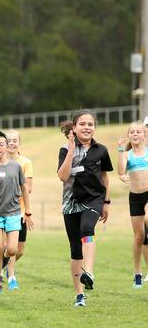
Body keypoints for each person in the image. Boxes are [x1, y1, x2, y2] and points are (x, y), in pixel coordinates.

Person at [57, 110, 112, 307]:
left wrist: (106, 202)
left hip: (94, 199)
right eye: (82, 124)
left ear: (94, 127)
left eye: (90, 124)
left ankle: (88, 272)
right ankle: (80, 294)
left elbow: (105, 177)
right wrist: (72, 150)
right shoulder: (65, 149)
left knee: (87, 230)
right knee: (75, 249)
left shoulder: (101, 150)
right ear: (74, 127)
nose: (87, 127)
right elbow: (63, 177)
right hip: (70, 202)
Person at [0, 130, 33, 294]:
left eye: (1, 144)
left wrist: (29, 209)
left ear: (7, 146)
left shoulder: (16, 167)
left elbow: (24, 188)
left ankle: (0, 262)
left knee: (12, 250)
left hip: (13, 213)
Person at [116, 121, 148, 289]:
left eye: (139, 132)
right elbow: (121, 171)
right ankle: (137, 272)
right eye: (132, 132)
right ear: (129, 135)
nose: (135, 134)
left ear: (144, 135)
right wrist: (121, 150)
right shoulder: (127, 154)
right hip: (135, 197)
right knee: (139, 237)